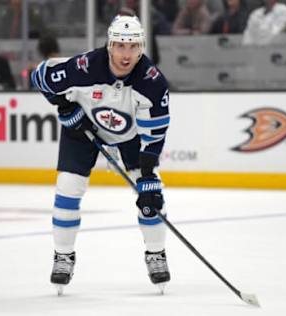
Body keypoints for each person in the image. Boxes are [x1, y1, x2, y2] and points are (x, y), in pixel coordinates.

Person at [31, 15, 171, 294]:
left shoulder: (152, 82)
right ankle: (63, 255)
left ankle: (156, 253)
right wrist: (65, 107)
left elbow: (154, 136)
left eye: (133, 47)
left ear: (142, 47)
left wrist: (146, 175)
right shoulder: (84, 67)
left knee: (152, 197)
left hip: (131, 137)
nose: (126, 54)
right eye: (120, 45)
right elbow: (41, 76)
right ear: (109, 45)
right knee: (67, 190)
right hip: (82, 131)